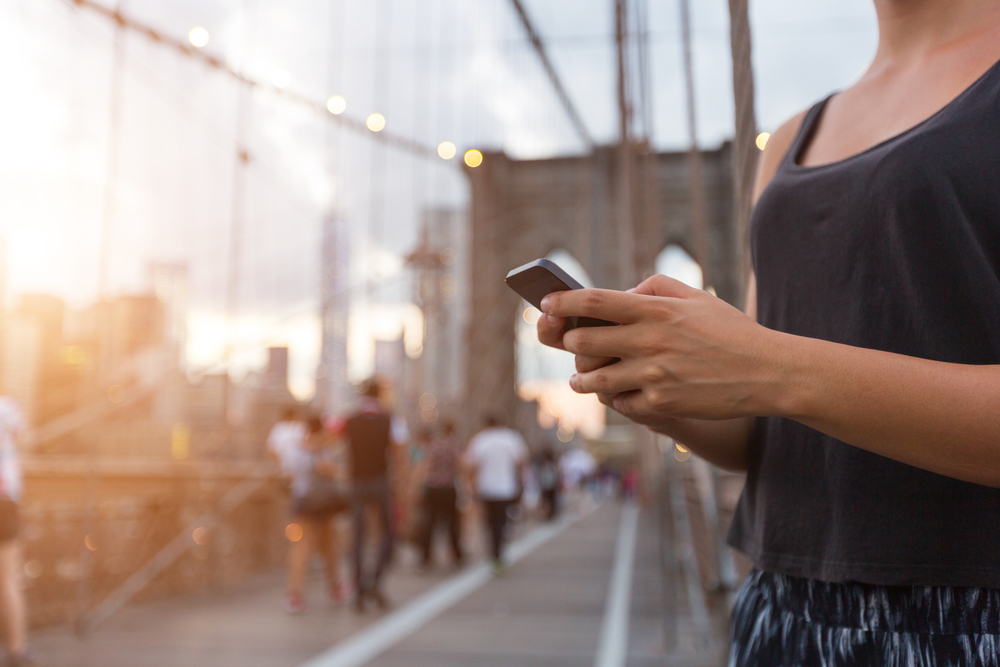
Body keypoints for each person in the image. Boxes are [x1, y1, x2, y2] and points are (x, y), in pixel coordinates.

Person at [537, 1, 1000, 663]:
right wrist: (658, 380)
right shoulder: (790, 140)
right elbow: (763, 431)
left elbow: (776, 373)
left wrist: (764, 364)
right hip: (780, 611)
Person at [341, 380, 407, 612]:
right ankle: (375, 581)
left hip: (356, 481)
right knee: (389, 532)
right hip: (380, 481)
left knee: (358, 536)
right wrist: (399, 482)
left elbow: (328, 442)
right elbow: (399, 452)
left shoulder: (350, 418)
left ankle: (359, 590)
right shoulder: (390, 419)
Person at [275, 415, 348, 614]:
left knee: (301, 547)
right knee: (327, 545)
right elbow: (329, 471)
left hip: (300, 499)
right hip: (320, 502)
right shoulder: (322, 449)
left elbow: (288, 473)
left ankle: (294, 594)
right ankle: (334, 587)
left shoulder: (293, 447)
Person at [464, 416, 528, 574]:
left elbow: (470, 467)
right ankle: (498, 553)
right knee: (501, 522)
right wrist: (520, 484)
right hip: (506, 488)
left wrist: (472, 488)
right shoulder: (511, 438)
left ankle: (495, 553)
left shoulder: (480, 440)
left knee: (490, 523)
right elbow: (521, 462)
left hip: (486, 490)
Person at [0, 397, 31, 666]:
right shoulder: (9, 408)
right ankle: (15, 650)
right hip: (5, 498)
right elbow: (22, 438)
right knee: (7, 579)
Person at [418, 421, 463, 570]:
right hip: (449, 488)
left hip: (433, 488)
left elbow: (425, 466)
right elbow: (461, 466)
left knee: (429, 523)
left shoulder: (432, 446)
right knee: (452, 524)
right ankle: (456, 555)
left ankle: (426, 557)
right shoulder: (454, 446)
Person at [536, 449, 561, 521]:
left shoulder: (549, 465)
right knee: (548, 501)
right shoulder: (547, 465)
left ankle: (551, 514)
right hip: (547, 486)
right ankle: (549, 514)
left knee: (550, 501)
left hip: (549, 486)